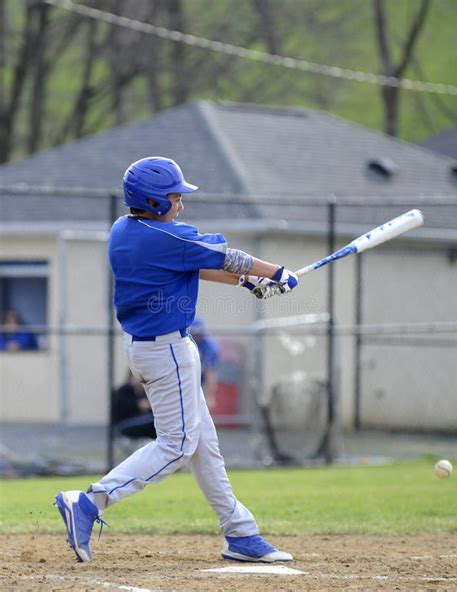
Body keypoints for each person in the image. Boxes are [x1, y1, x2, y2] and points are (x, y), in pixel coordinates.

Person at [54, 156, 298, 564]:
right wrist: (277, 272)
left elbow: (198, 266)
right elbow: (227, 256)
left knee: (203, 445)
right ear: (152, 201)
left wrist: (247, 282)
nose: (181, 203)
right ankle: (90, 502)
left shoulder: (126, 230)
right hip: (166, 350)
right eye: (174, 196)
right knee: (178, 446)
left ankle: (240, 533)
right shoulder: (164, 236)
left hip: (153, 347)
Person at [112, 369, 155, 440]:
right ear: (130, 377)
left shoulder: (145, 391)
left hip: (143, 421)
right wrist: (138, 405)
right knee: (153, 421)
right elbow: (121, 410)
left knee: (155, 421)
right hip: (125, 423)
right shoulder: (123, 391)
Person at [189, 317, 220, 412]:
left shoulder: (209, 347)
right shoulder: (185, 343)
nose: (197, 336)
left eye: (199, 333)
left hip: (201, 382)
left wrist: (210, 396)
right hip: (186, 379)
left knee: (203, 409)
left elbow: (210, 374)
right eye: (194, 333)